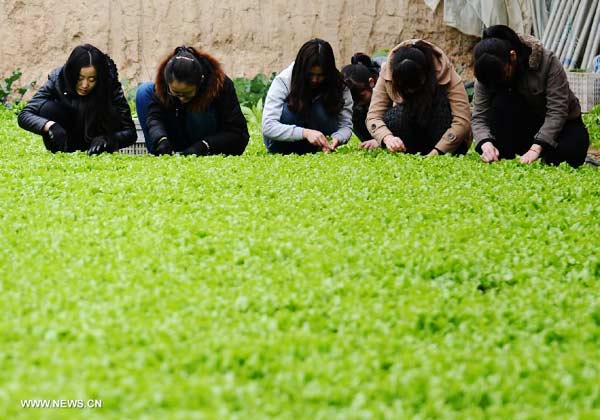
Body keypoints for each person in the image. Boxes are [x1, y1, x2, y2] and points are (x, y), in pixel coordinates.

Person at [472, 25, 589, 168]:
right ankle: (512, 153)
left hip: (558, 124)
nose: (497, 81)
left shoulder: (547, 62)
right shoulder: (485, 70)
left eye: (503, 75)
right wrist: (486, 143)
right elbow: (479, 116)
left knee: (572, 151)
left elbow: (557, 111)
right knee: (502, 103)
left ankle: (541, 153)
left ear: (512, 57)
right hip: (520, 125)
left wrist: (536, 148)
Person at [18, 44, 136, 154]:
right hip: (66, 139)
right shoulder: (58, 79)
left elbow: (130, 132)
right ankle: (62, 150)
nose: (85, 85)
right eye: (80, 78)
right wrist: (49, 126)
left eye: (91, 80)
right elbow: (24, 114)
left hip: (96, 140)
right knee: (47, 108)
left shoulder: (109, 83)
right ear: (71, 74)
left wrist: (108, 139)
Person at [136, 46, 249, 156]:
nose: (181, 98)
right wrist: (160, 139)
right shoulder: (163, 85)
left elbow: (238, 134)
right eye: (176, 93)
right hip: (176, 136)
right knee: (144, 91)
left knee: (197, 110)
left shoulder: (220, 85)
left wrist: (205, 145)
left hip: (205, 141)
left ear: (200, 82)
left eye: (187, 94)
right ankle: (161, 151)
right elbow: (155, 117)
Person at [366, 40, 472, 156]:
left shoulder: (443, 70)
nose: (410, 91)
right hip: (410, 133)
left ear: (426, 74)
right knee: (394, 115)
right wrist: (387, 138)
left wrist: (437, 152)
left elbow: (462, 120)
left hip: (443, 134)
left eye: (415, 86)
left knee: (441, 106)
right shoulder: (388, 71)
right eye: (405, 89)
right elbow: (374, 116)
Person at [262, 38, 353, 154]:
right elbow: (268, 126)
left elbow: (346, 125)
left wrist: (337, 138)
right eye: (310, 74)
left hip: (321, 140)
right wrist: (305, 133)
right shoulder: (284, 80)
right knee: (287, 112)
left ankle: (319, 146)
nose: (315, 80)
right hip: (283, 143)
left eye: (320, 75)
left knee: (321, 109)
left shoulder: (339, 84)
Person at [341, 53, 381, 149]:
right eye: (354, 100)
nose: (358, 104)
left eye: (361, 97)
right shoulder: (356, 110)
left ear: (371, 83)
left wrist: (382, 139)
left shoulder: (384, 88)